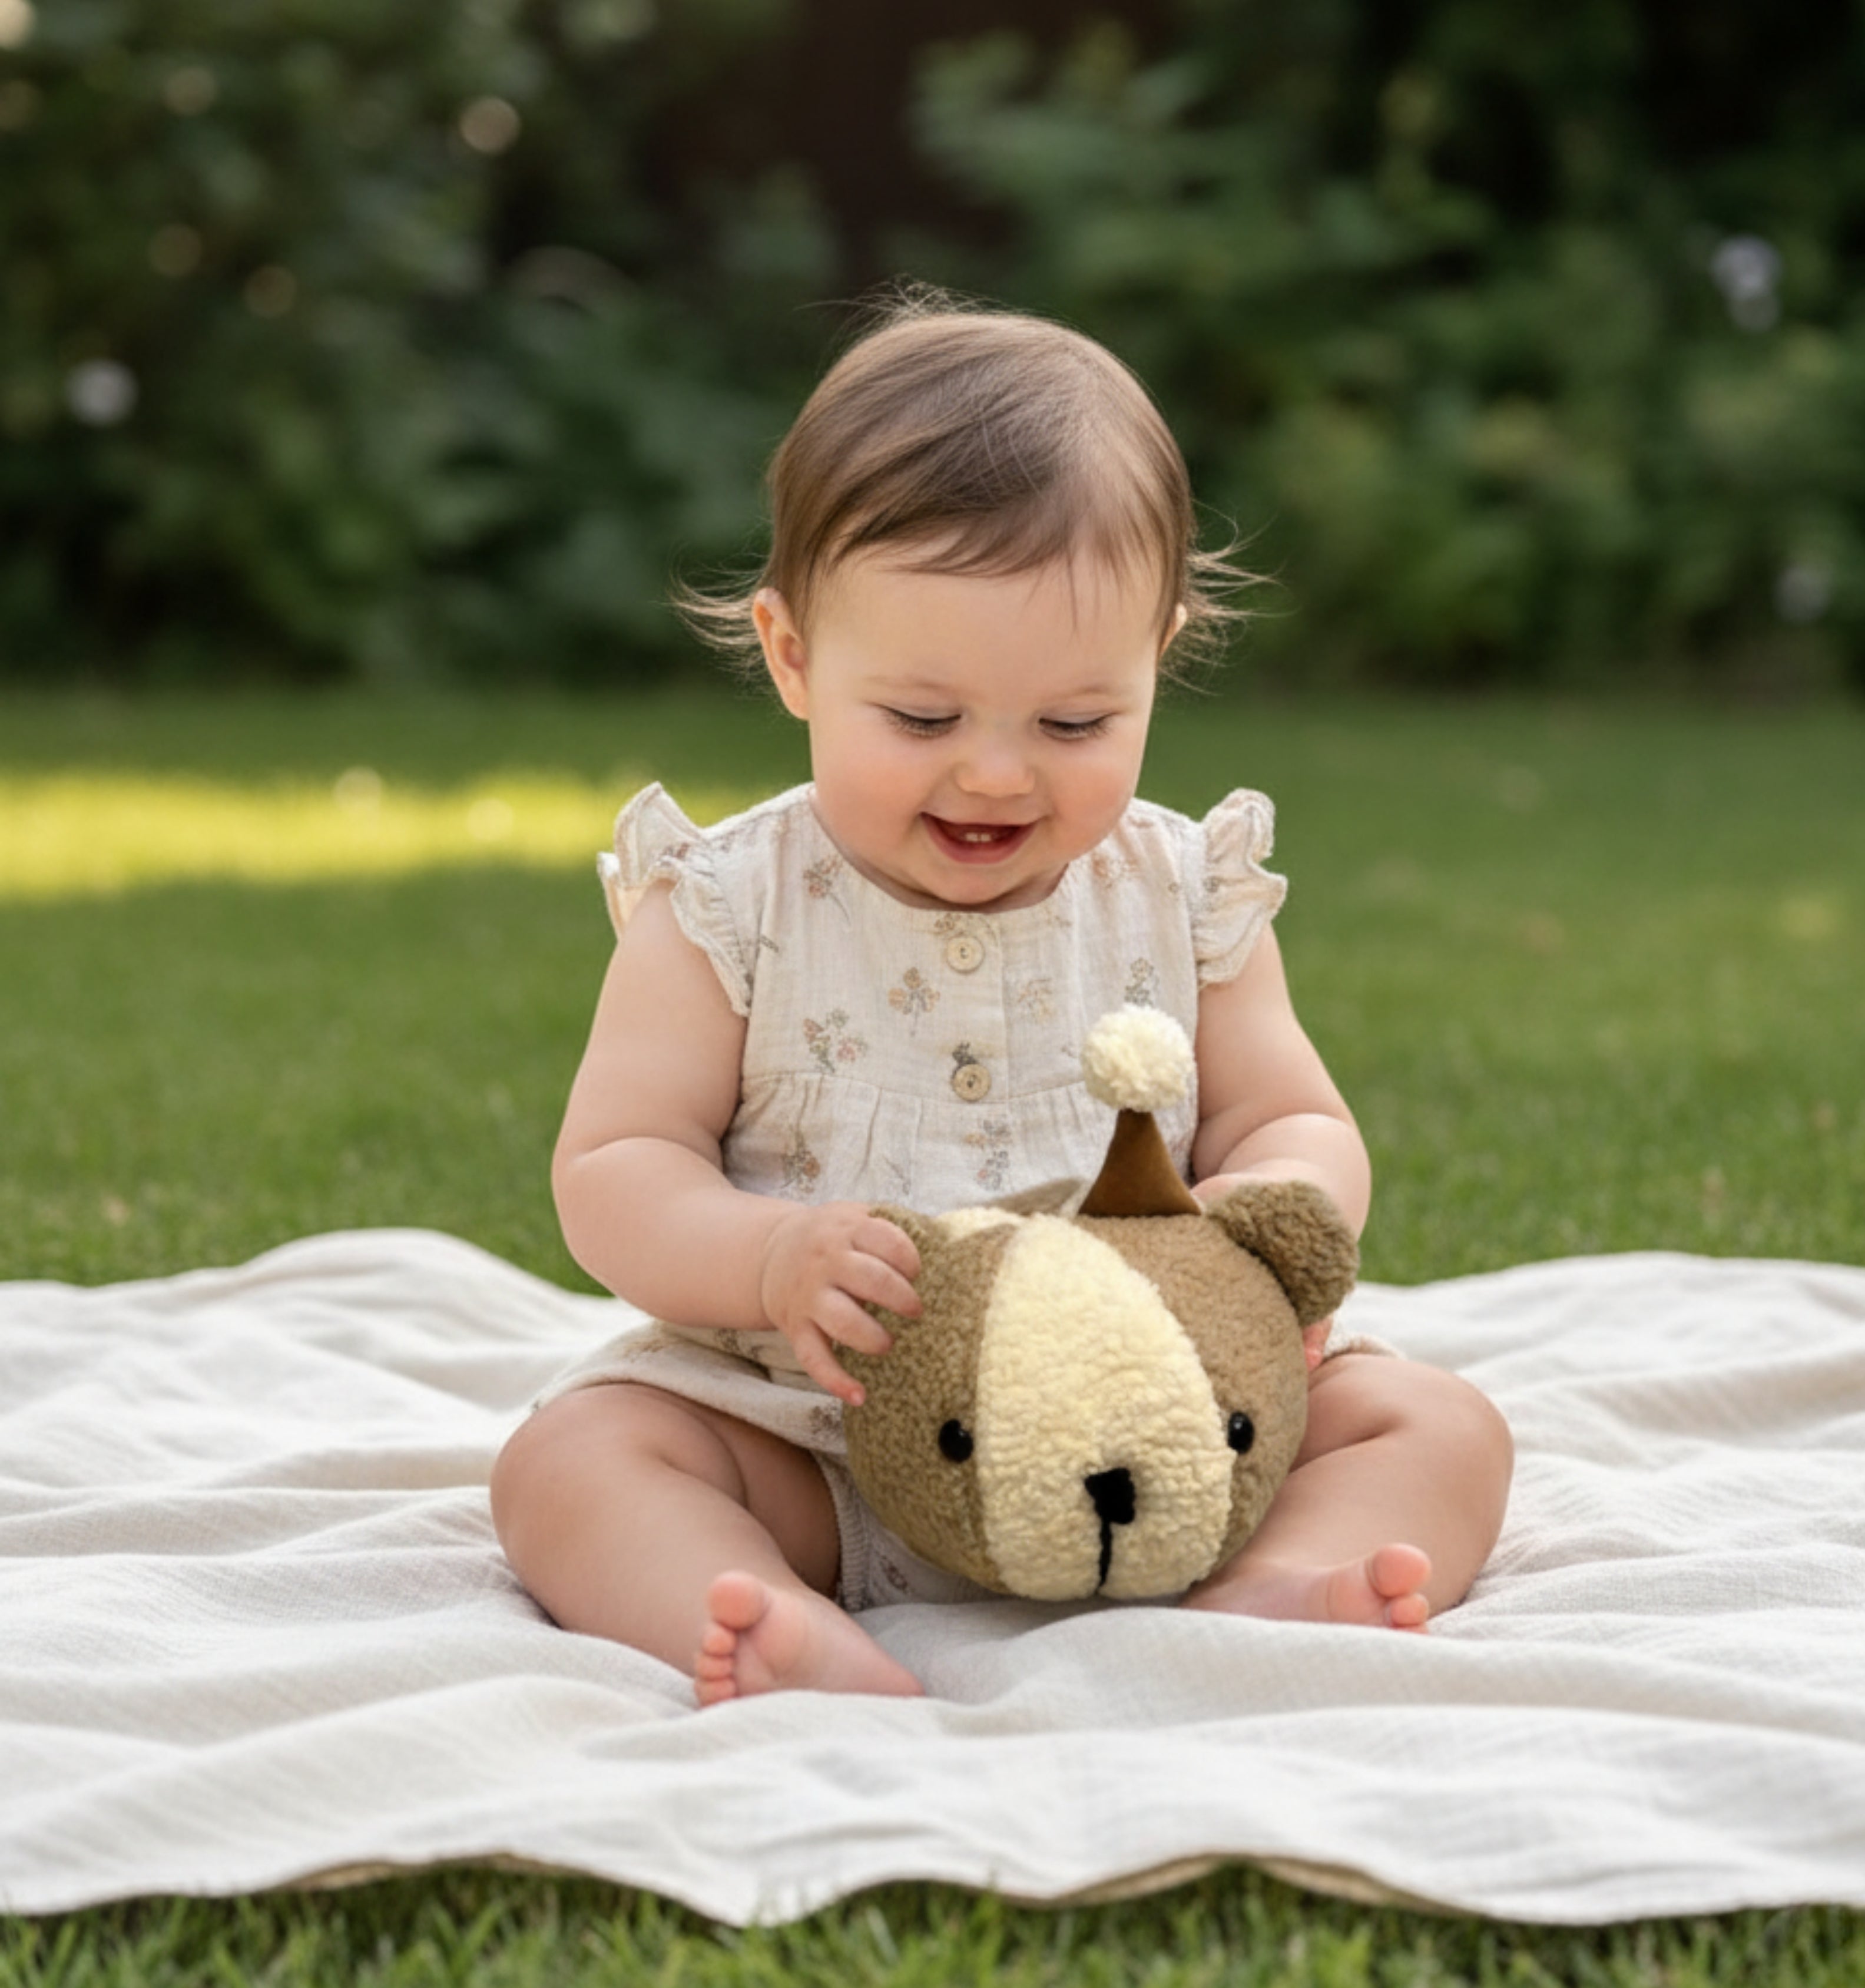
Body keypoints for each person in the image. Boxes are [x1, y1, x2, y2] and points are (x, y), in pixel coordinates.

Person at [489, 293, 1513, 1705]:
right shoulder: (729, 907)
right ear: (791, 656)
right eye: (920, 720)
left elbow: (1293, 1111)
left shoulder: (1180, 890)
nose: (993, 775)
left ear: (1159, 651)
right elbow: (614, 1165)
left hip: (1166, 1435)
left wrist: (1268, 1220)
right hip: (828, 1447)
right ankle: (768, 1624)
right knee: (575, 1462)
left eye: (1074, 722)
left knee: (1434, 1420)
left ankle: (1271, 1586)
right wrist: (769, 1261)